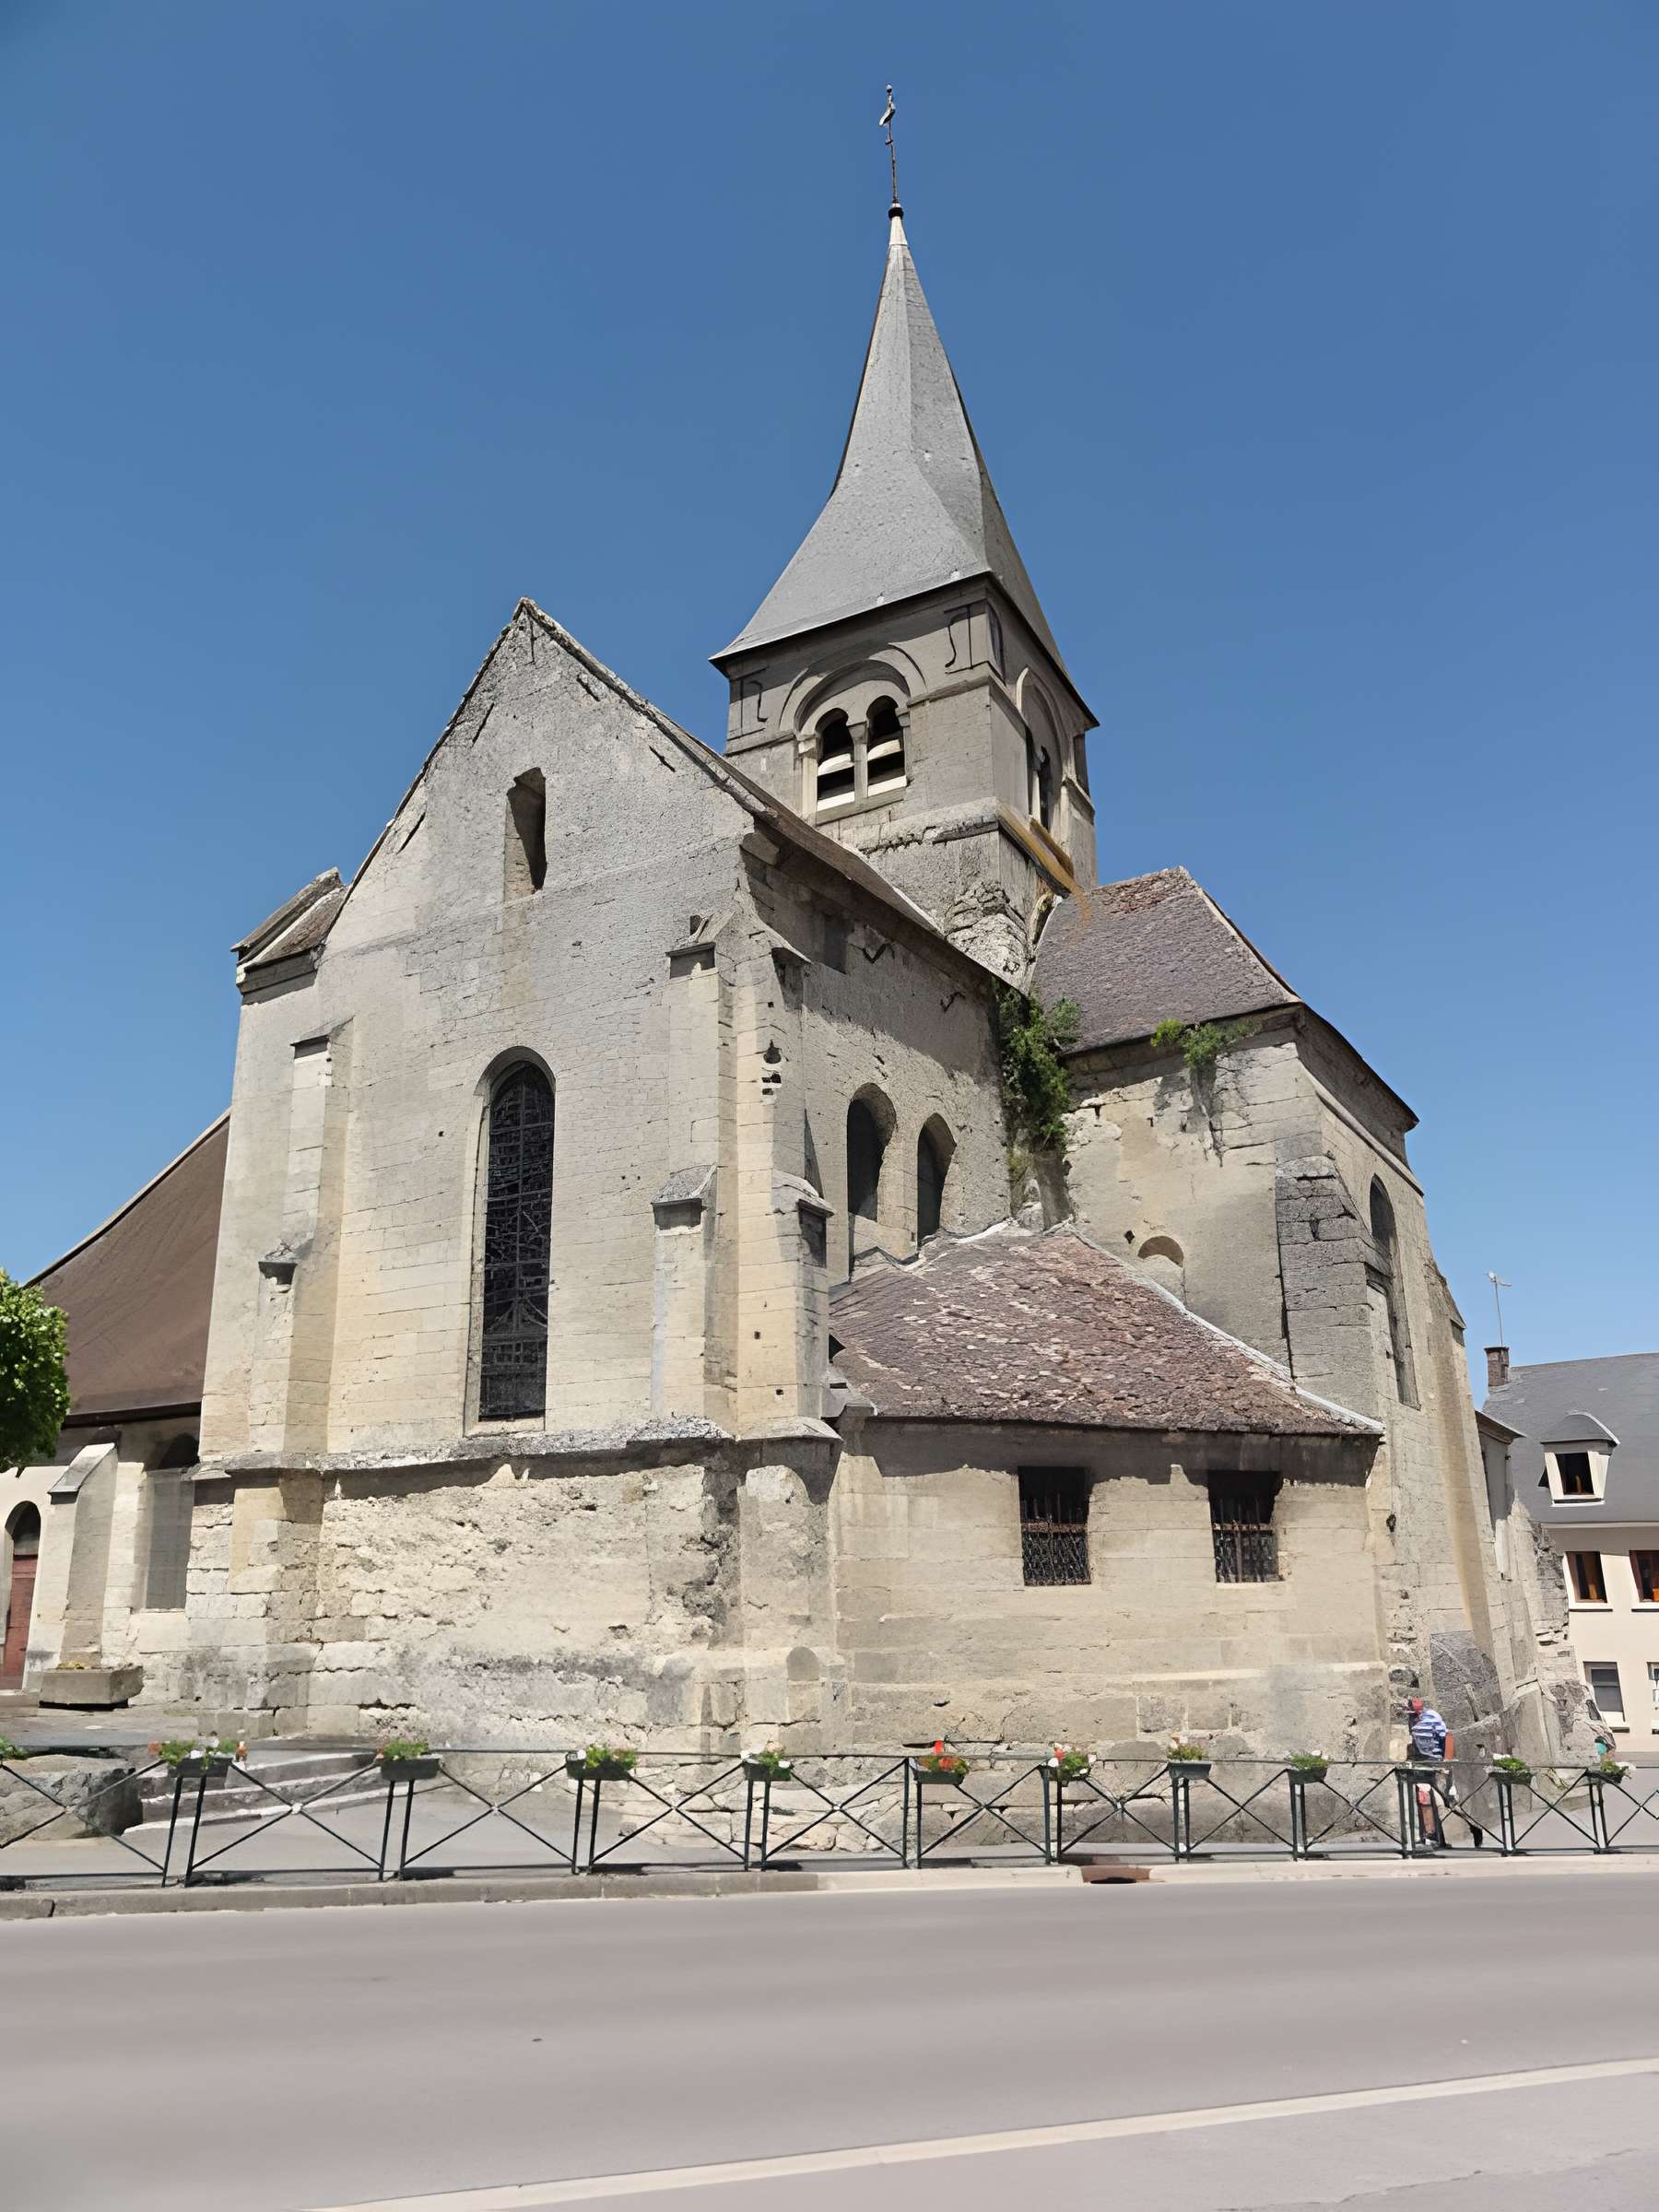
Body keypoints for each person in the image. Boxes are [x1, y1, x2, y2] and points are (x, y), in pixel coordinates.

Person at [1406, 1696, 1453, 1848]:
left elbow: (1447, 1736)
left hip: (1436, 1763)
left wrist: (1446, 1762)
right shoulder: (1412, 1720)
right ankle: (1430, 1835)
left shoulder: (1432, 1716)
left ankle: (1474, 1827)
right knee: (1424, 1799)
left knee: (1445, 1801)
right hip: (1420, 1765)